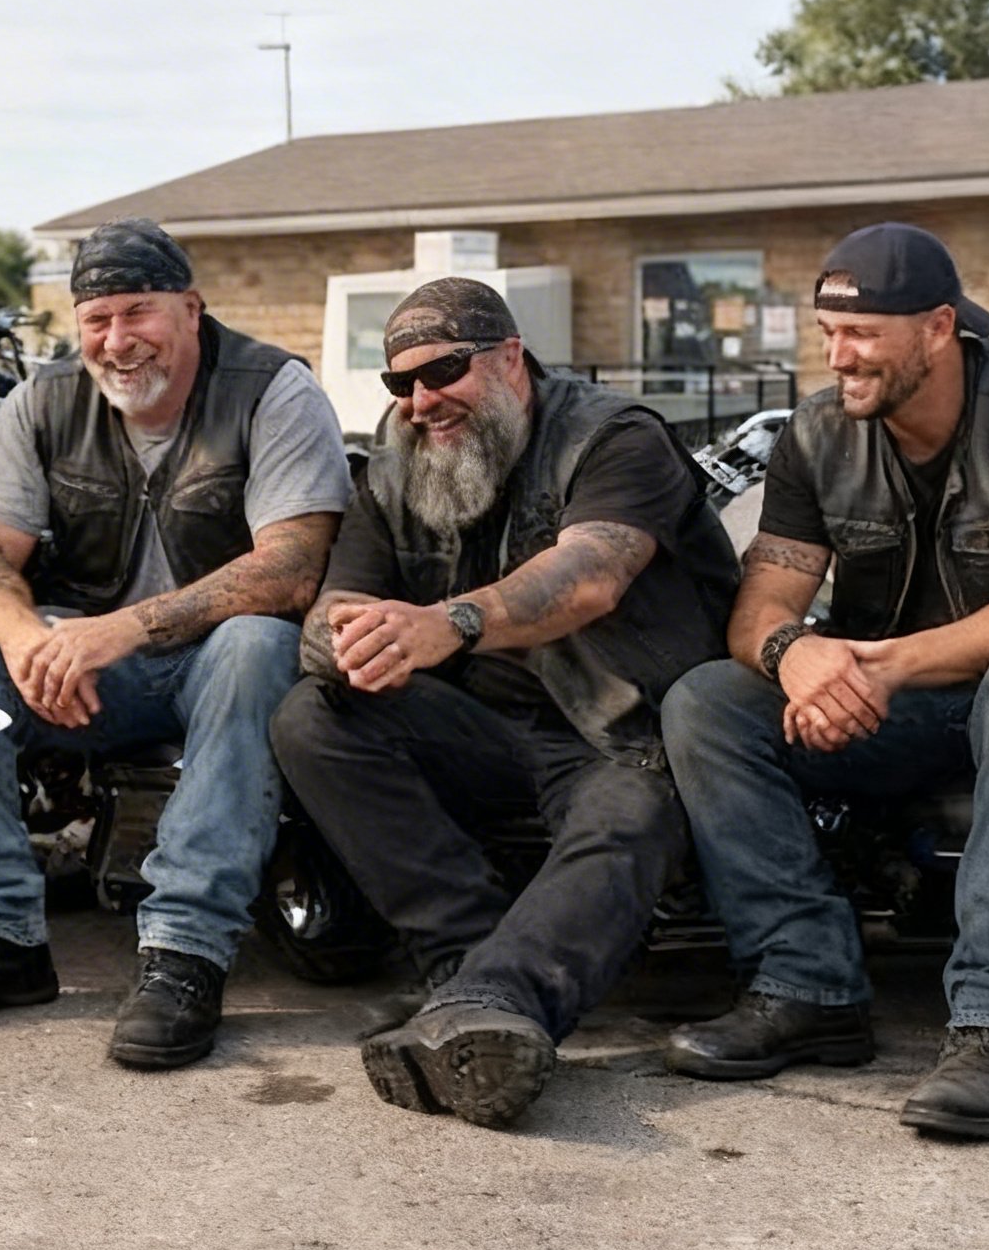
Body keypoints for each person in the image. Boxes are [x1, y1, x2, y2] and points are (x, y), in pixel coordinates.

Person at [0, 216, 353, 1070]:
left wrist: (125, 628)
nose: (118, 340)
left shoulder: (274, 389)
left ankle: (185, 951)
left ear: (192, 310)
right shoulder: (43, 401)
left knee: (255, 643)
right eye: (98, 320)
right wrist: (24, 635)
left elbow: (291, 567)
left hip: (209, 661)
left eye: (139, 313)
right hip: (83, 665)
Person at [270, 277, 740, 1128]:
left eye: (443, 371)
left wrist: (451, 622)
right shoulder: (398, 455)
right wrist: (355, 638)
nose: (420, 401)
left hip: (616, 729)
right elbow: (332, 611)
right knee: (313, 717)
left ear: (511, 357)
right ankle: (465, 967)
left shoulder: (612, 436)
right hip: (484, 729)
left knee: (632, 808)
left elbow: (590, 575)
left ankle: (501, 1001)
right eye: (400, 383)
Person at [662, 224, 989, 1141]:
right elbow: (760, 610)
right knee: (706, 700)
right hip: (886, 703)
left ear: (939, 327)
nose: (838, 356)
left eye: (862, 334)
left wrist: (880, 662)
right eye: (827, 332)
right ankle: (809, 984)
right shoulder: (819, 434)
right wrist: (801, 660)